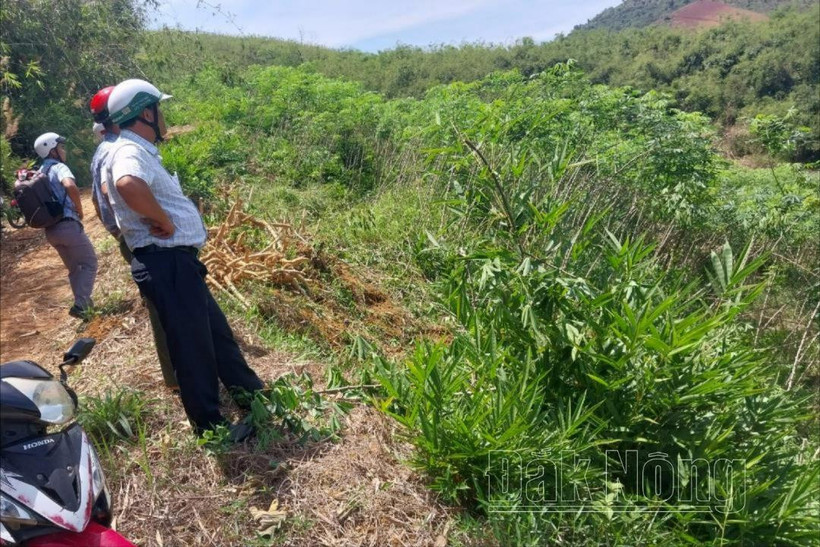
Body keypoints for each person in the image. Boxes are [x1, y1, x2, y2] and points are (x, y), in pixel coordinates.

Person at [105, 78, 263, 441]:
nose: (164, 117)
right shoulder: (129, 151)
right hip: (167, 264)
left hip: (178, 264)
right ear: (146, 112)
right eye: (160, 109)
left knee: (217, 335)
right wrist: (162, 219)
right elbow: (128, 184)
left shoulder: (138, 148)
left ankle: (250, 394)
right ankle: (210, 427)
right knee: (193, 347)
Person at [88, 86, 177, 391]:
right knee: (162, 308)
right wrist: (154, 220)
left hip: (137, 235)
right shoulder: (116, 148)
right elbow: (114, 189)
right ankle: (176, 376)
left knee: (167, 304)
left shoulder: (109, 146)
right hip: (147, 237)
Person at [32, 132, 98, 319]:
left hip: (51, 231)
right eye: (60, 147)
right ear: (52, 151)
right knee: (89, 263)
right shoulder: (59, 167)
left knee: (75, 268)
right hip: (68, 226)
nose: (64, 150)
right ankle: (80, 304)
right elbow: (70, 185)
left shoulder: (39, 172)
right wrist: (79, 209)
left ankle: (85, 308)